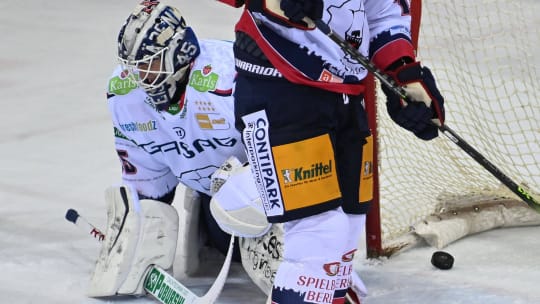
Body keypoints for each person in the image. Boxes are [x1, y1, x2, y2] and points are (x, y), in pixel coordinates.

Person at [216, 0, 446, 303]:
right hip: (278, 80)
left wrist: (401, 71)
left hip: (347, 91)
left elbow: (383, 10)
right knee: (321, 230)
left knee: (348, 227)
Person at [86, 1, 269, 297]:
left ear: (179, 52)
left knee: (247, 203)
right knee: (135, 208)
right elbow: (148, 181)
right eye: (134, 67)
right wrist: (138, 229)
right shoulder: (125, 94)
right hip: (215, 210)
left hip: (273, 199)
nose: (140, 78)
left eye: (149, 65)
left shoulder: (232, 77)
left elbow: (291, 146)